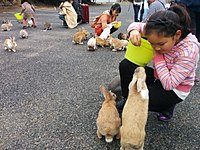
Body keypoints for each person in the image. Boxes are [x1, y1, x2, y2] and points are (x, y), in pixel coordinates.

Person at [118, 5, 199, 122]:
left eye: (161, 44)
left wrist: (157, 55)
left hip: (174, 88)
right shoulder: (157, 29)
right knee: (126, 66)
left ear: (177, 35)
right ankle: (127, 99)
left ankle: (166, 106)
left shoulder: (189, 51)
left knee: (140, 99)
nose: (156, 47)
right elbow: (136, 25)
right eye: (152, 43)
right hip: (159, 77)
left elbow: (169, 84)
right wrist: (134, 31)